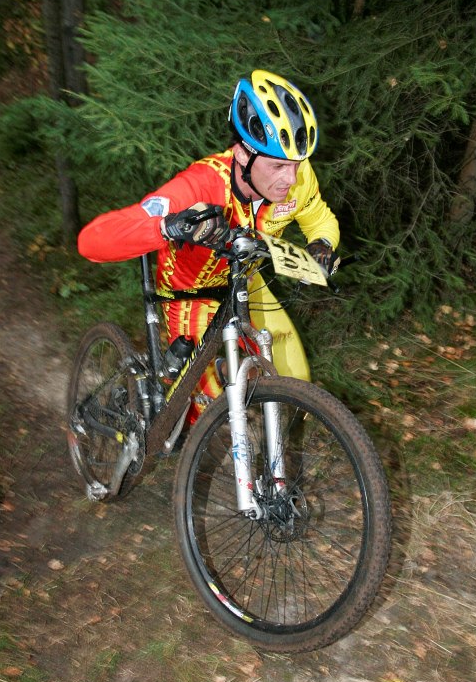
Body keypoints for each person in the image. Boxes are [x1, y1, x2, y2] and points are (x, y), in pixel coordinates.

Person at [78, 69, 340, 420]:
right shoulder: (198, 186)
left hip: (244, 279)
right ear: (243, 154)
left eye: (296, 164)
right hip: (190, 292)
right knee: (210, 408)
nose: (291, 179)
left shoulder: (297, 177)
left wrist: (322, 243)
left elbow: (318, 216)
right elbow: (92, 240)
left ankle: (261, 436)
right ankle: (162, 419)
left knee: (294, 376)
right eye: (279, 166)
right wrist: (167, 226)